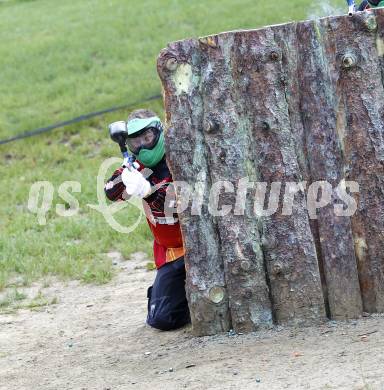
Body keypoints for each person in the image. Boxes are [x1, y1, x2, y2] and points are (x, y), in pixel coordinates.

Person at [104, 109, 190, 331]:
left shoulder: (181, 156)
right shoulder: (136, 166)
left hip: (200, 248)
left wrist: (149, 192)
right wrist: (125, 177)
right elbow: (110, 192)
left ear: (159, 132)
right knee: (161, 319)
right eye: (135, 142)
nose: (143, 146)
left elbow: (176, 200)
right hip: (172, 253)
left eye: (147, 138)